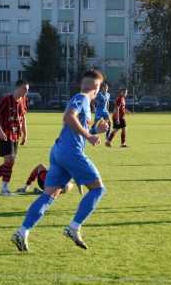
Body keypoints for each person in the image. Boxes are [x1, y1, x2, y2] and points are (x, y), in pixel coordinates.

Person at [11, 69, 108, 252]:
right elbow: (68, 117)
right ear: (96, 88)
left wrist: (95, 131)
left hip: (59, 151)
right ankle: (73, 227)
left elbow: (73, 127)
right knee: (98, 189)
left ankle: (22, 232)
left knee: (49, 195)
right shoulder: (82, 98)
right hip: (70, 152)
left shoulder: (83, 101)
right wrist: (89, 135)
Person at [0, 80, 29, 196]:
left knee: (9, 162)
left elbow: (23, 118)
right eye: (25, 89)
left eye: (27, 89)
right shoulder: (6, 100)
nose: (26, 92)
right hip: (5, 133)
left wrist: (25, 134)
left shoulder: (23, 100)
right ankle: (4, 188)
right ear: (18, 88)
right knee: (10, 159)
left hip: (16, 134)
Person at [16, 163, 82, 195]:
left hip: (46, 181)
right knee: (69, 184)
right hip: (50, 183)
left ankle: (28, 188)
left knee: (68, 183)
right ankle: (45, 192)